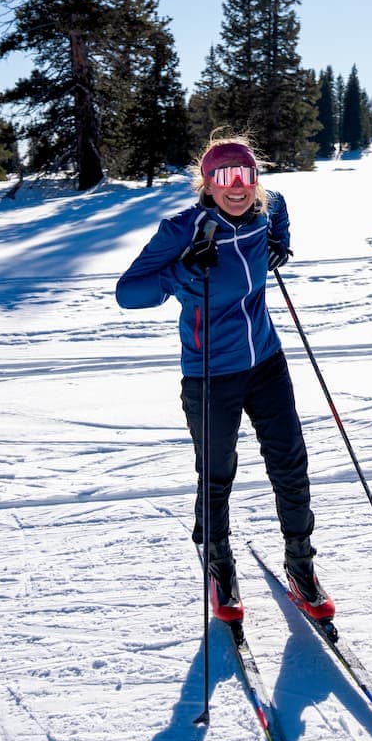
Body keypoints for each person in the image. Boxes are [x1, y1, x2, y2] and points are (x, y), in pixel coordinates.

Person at [115, 134, 333, 625]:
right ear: (207, 184)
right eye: (223, 178)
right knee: (217, 474)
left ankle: (302, 567)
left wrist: (281, 243)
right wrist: (181, 277)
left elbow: (280, 210)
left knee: (291, 466)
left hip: (268, 361)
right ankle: (220, 567)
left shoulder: (263, 211)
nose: (237, 187)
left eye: (245, 176)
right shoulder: (182, 230)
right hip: (211, 373)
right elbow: (127, 293)